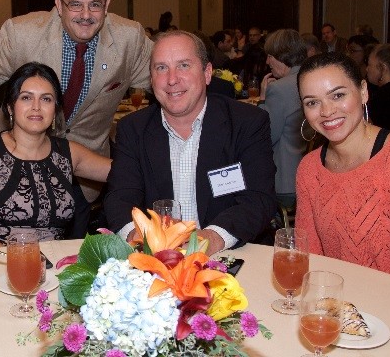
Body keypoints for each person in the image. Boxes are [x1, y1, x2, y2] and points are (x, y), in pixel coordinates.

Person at [0, 0, 153, 234]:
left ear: (106, 5)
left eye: (94, 5)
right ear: (58, 4)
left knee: (72, 259)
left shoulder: (129, 39)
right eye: (75, 5)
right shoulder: (22, 34)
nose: (85, 15)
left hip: (85, 173)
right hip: (14, 168)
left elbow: (167, 81)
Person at [104, 30, 277, 256]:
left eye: (184, 65)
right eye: (161, 68)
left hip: (228, 254)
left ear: (207, 73)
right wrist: (138, 235)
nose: (172, 79)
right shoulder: (133, 129)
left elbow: (258, 199)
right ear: (151, 78)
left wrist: (211, 238)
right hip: (156, 257)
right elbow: (120, 197)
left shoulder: (246, 123)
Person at [295, 52, 390, 287]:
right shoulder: (309, 169)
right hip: (335, 307)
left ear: (364, 92)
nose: (326, 111)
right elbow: (308, 259)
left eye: (337, 95)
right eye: (312, 102)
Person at [0, 62, 112, 251]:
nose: (36, 107)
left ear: (56, 109)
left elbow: (124, 171)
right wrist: (14, 257)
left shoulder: (69, 153)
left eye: (46, 99)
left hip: (52, 266)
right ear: (10, 107)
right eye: (26, 98)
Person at [257, 29, 308, 211]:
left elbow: (264, 137)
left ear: (282, 56)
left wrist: (262, 99)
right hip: (310, 176)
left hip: (286, 184)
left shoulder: (279, 89)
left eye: (270, 56)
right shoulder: (312, 78)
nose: (267, 62)